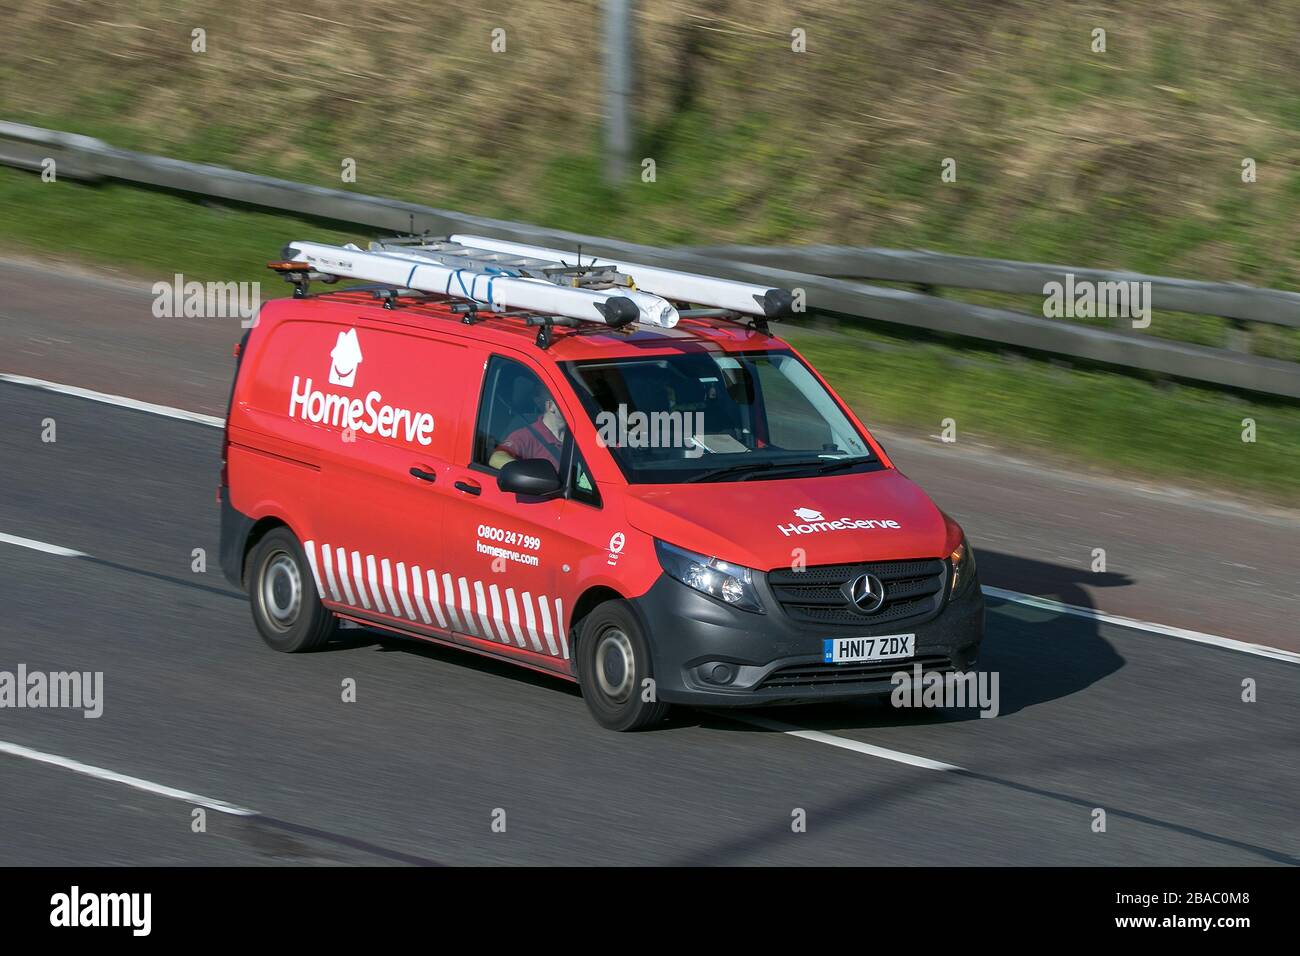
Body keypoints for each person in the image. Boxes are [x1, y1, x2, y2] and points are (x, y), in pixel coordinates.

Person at [489, 383, 566, 471]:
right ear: (550, 406)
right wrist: (530, 475)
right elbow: (496, 458)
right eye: (566, 401)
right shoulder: (525, 436)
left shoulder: (575, 434)